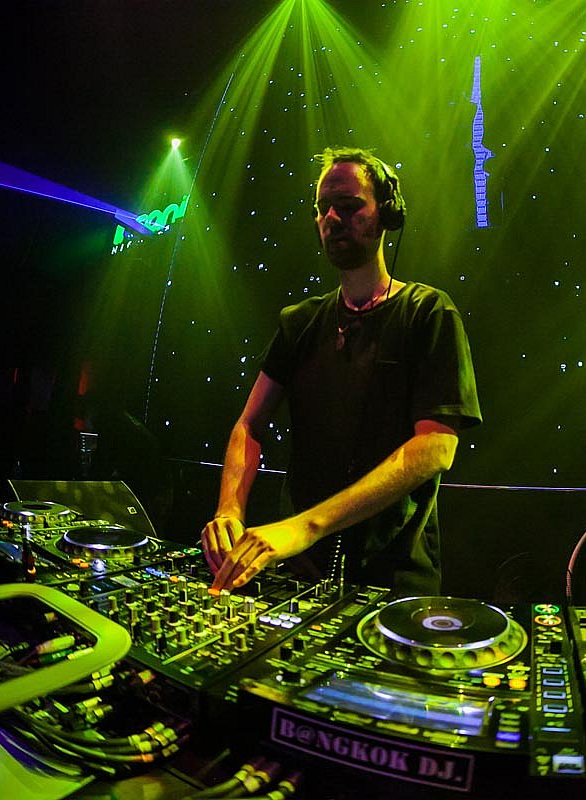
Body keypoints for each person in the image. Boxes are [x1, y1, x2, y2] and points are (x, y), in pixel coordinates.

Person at [200, 146, 481, 595]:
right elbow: (249, 425)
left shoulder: (428, 312)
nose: (332, 218)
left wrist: (306, 526)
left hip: (395, 581)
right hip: (300, 573)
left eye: (348, 206)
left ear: (386, 214)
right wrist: (228, 510)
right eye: (323, 208)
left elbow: (436, 447)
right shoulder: (299, 322)